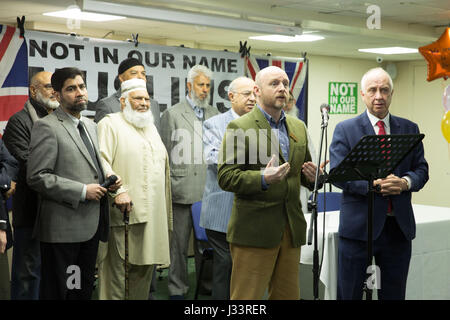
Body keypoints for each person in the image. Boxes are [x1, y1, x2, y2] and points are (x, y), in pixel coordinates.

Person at [217, 66, 322, 300]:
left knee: (288, 296)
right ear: (256, 90)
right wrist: (263, 178)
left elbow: (302, 173)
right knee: (247, 298)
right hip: (255, 229)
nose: (282, 88)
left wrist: (314, 178)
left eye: (285, 83)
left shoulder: (298, 127)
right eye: (274, 83)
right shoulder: (240, 127)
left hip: (291, 227)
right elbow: (226, 176)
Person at [329, 67, 429, 300]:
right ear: (362, 94)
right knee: (351, 294)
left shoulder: (409, 128)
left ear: (392, 94)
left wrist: (405, 182)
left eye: (384, 90)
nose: (379, 96)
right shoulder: (345, 130)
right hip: (359, 230)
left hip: (398, 230)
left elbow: (421, 170)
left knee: (393, 295)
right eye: (372, 90)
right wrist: (373, 186)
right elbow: (338, 174)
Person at [26, 67, 121, 300]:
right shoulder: (46, 126)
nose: (79, 93)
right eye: (71, 89)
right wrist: (81, 191)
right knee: (62, 293)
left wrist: (107, 182)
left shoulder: (90, 125)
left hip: (90, 228)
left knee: (80, 290)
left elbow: (89, 168)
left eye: (82, 87)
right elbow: (37, 176)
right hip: (63, 231)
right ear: (57, 95)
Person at [96, 78, 172, 300]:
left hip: (153, 222)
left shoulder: (150, 128)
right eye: (138, 98)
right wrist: (118, 191)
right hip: (124, 218)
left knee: (142, 281)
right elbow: (101, 163)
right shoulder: (109, 124)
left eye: (147, 99)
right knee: (116, 284)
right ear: (122, 101)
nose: (144, 103)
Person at [161, 64, 219, 299]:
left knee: (207, 247)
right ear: (189, 85)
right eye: (200, 85)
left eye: (207, 85)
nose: (204, 90)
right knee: (178, 248)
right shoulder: (172, 114)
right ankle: (177, 291)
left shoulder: (216, 114)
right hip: (181, 191)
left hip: (209, 192)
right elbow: (165, 155)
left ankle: (206, 291)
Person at [3, 70, 59, 300]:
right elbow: (29, 166)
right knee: (28, 276)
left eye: (56, 87)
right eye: (48, 87)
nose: (54, 92)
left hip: (59, 213)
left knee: (53, 275)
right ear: (33, 90)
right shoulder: (19, 121)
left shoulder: (61, 119)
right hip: (32, 213)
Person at [200, 76, 255, 300]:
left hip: (253, 211)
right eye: (246, 94)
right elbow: (213, 158)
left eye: (255, 94)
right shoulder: (215, 124)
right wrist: (254, 158)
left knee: (249, 271)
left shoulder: (262, 123)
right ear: (231, 97)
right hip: (222, 212)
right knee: (227, 266)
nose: (252, 99)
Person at [94, 57, 161, 133]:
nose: (140, 77)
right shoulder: (107, 105)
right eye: (134, 73)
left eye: (143, 74)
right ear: (121, 78)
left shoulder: (154, 104)